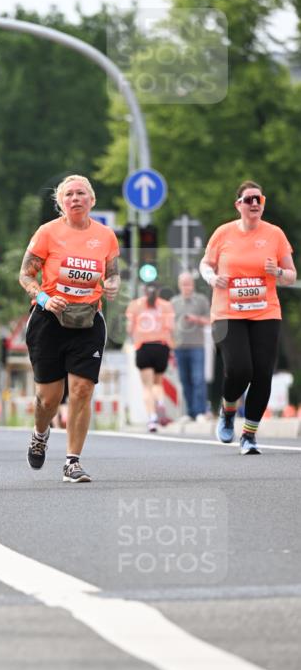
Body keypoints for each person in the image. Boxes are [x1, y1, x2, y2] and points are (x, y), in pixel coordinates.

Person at [19, 174, 120, 481]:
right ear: (60, 203)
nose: (75, 199)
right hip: (49, 320)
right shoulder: (48, 233)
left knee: (82, 389)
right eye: (69, 195)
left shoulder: (105, 236)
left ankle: (72, 461)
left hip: (88, 318)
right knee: (49, 398)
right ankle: (40, 432)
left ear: (92, 200)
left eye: (81, 194)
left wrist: (113, 284)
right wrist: (45, 299)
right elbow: (25, 275)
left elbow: (113, 273)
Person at [200, 180, 295, 454]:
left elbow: (291, 275)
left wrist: (276, 272)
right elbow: (205, 263)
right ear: (238, 205)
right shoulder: (224, 233)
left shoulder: (275, 234)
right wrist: (211, 277)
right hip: (227, 313)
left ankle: (249, 435)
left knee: (263, 373)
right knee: (241, 369)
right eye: (249, 199)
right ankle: (228, 410)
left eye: (259, 199)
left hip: (265, 311)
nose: (255, 204)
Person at [125, 283, 176, 432]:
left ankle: (152, 418)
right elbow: (171, 328)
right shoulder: (166, 306)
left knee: (146, 386)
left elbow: (129, 329)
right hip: (161, 346)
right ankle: (160, 401)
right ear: (158, 291)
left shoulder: (134, 305)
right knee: (157, 383)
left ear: (143, 291)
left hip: (144, 346)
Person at [171, 272, 210, 421]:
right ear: (179, 285)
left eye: (188, 283)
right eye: (183, 284)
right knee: (184, 380)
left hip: (197, 345)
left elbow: (211, 319)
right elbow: (170, 324)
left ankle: (200, 411)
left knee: (198, 379)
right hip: (179, 346)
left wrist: (197, 319)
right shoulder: (174, 302)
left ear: (192, 285)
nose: (186, 287)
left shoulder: (201, 300)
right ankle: (190, 412)